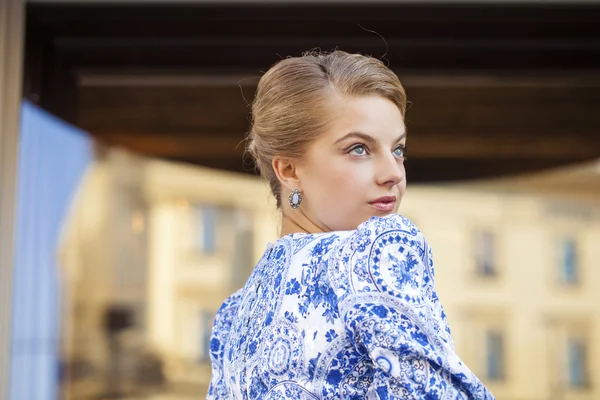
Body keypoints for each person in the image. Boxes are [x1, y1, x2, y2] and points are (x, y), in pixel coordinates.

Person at [207, 50, 494, 399]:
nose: (393, 173)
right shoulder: (376, 251)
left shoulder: (234, 316)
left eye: (398, 150)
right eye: (359, 149)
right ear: (289, 170)